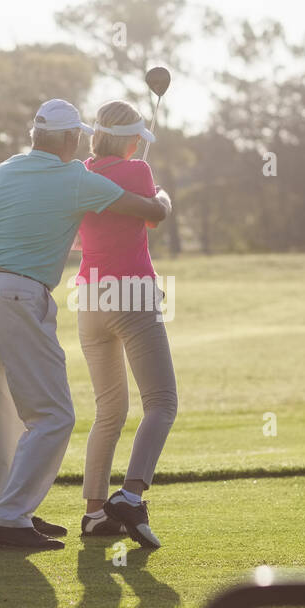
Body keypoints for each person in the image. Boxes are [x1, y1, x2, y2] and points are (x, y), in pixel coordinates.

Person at [0, 99, 171, 552]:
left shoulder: (6, 169)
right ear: (65, 138)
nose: (78, 141)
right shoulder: (76, 177)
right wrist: (161, 195)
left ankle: (31, 512)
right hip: (26, 293)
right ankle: (15, 519)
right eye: (73, 135)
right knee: (59, 414)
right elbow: (153, 213)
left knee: (10, 409)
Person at [74, 100, 177, 549]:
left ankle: (95, 513)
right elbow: (157, 214)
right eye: (137, 139)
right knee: (161, 403)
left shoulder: (79, 173)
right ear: (131, 139)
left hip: (90, 297)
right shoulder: (137, 171)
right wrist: (163, 193)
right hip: (132, 294)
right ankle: (131, 496)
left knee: (109, 410)